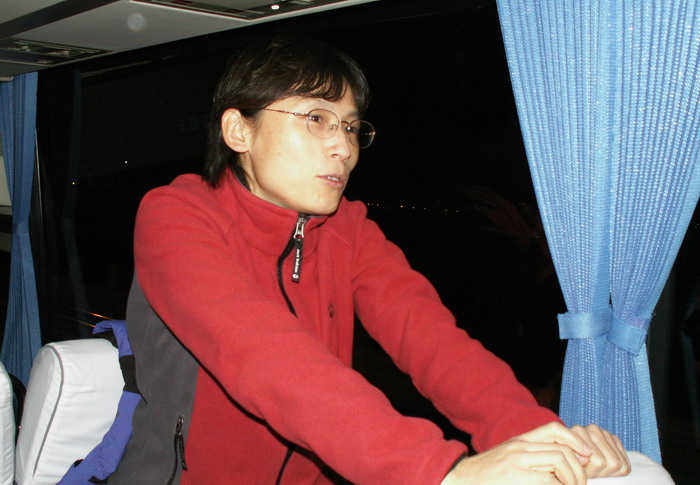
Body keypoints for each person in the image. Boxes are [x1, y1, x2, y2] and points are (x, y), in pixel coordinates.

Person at [110, 35, 630, 484]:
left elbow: (433, 343)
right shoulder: (176, 216)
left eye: (351, 127)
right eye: (316, 119)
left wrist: (541, 436)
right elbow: (264, 356)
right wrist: (442, 471)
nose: (343, 147)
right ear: (238, 131)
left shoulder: (348, 230)